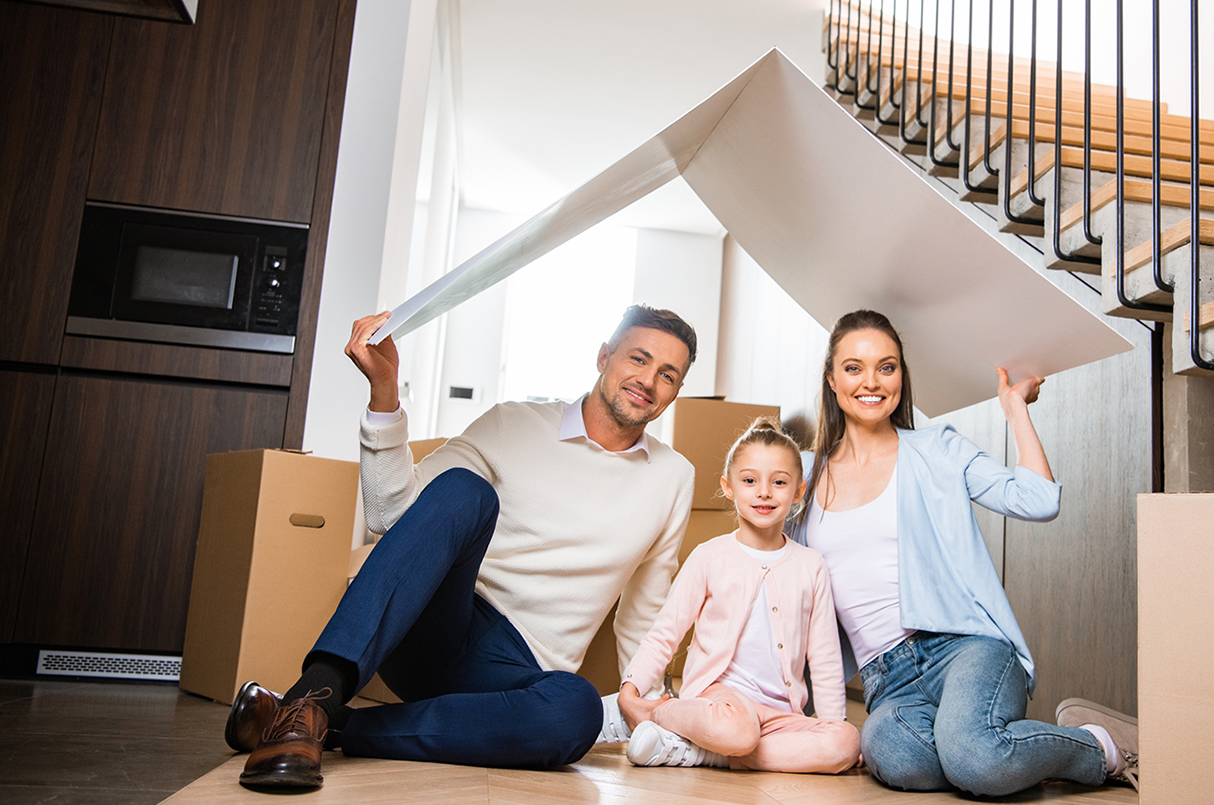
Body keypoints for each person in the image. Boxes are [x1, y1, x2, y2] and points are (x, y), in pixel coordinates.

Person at [225, 304, 699, 790]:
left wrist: (644, 697)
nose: (648, 380)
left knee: (576, 710)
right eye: (638, 359)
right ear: (604, 357)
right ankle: (311, 701)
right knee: (462, 490)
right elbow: (391, 514)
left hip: (515, 671)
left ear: (676, 390)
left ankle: (324, 726)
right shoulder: (512, 423)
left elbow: (646, 607)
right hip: (440, 624)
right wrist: (384, 392)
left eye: (668, 374)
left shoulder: (673, 477)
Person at [789, 309, 1139, 796]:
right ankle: (995, 744)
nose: (871, 381)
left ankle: (1100, 746)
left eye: (886, 367)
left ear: (901, 378)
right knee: (901, 760)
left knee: (975, 761)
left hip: (964, 648)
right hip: (884, 679)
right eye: (854, 367)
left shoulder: (936, 450)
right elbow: (769, 573)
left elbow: (1037, 501)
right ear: (831, 379)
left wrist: (1016, 409)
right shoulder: (801, 474)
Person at [616, 418, 861, 774]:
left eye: (779, 482)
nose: (764, 492)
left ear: (798, 492)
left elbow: (824, 657)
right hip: (721, 703)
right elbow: (666, 632)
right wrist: (632, 689)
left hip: (782, 713)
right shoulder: (709, 556)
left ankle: (706, 754)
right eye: (749, 481)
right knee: (736, 729)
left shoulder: (811, 565)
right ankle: (658, 715)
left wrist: (832, 723)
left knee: (845, 742)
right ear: (728, 487)